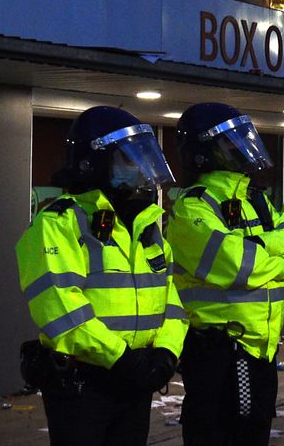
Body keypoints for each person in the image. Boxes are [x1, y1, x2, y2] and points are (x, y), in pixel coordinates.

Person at [15, 106, 185, 445]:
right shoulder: (58, 224)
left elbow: (173, 299)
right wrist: (123, 359)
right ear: (93, 162)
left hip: (137, 379)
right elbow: (63, 311)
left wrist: (166, 353)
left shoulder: (144, 227)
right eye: (128, 158)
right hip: (84, 385)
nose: (140, 168)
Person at [168, 103, 284, 445]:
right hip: (218, 353)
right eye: (230, 142)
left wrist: (258, 245)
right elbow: (238, 264)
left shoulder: (255, 200)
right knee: (216, 433)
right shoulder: (193, 206)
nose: (242, 148)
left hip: (259, 351)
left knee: (253, 434)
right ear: (206, 152)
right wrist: (282, 265)